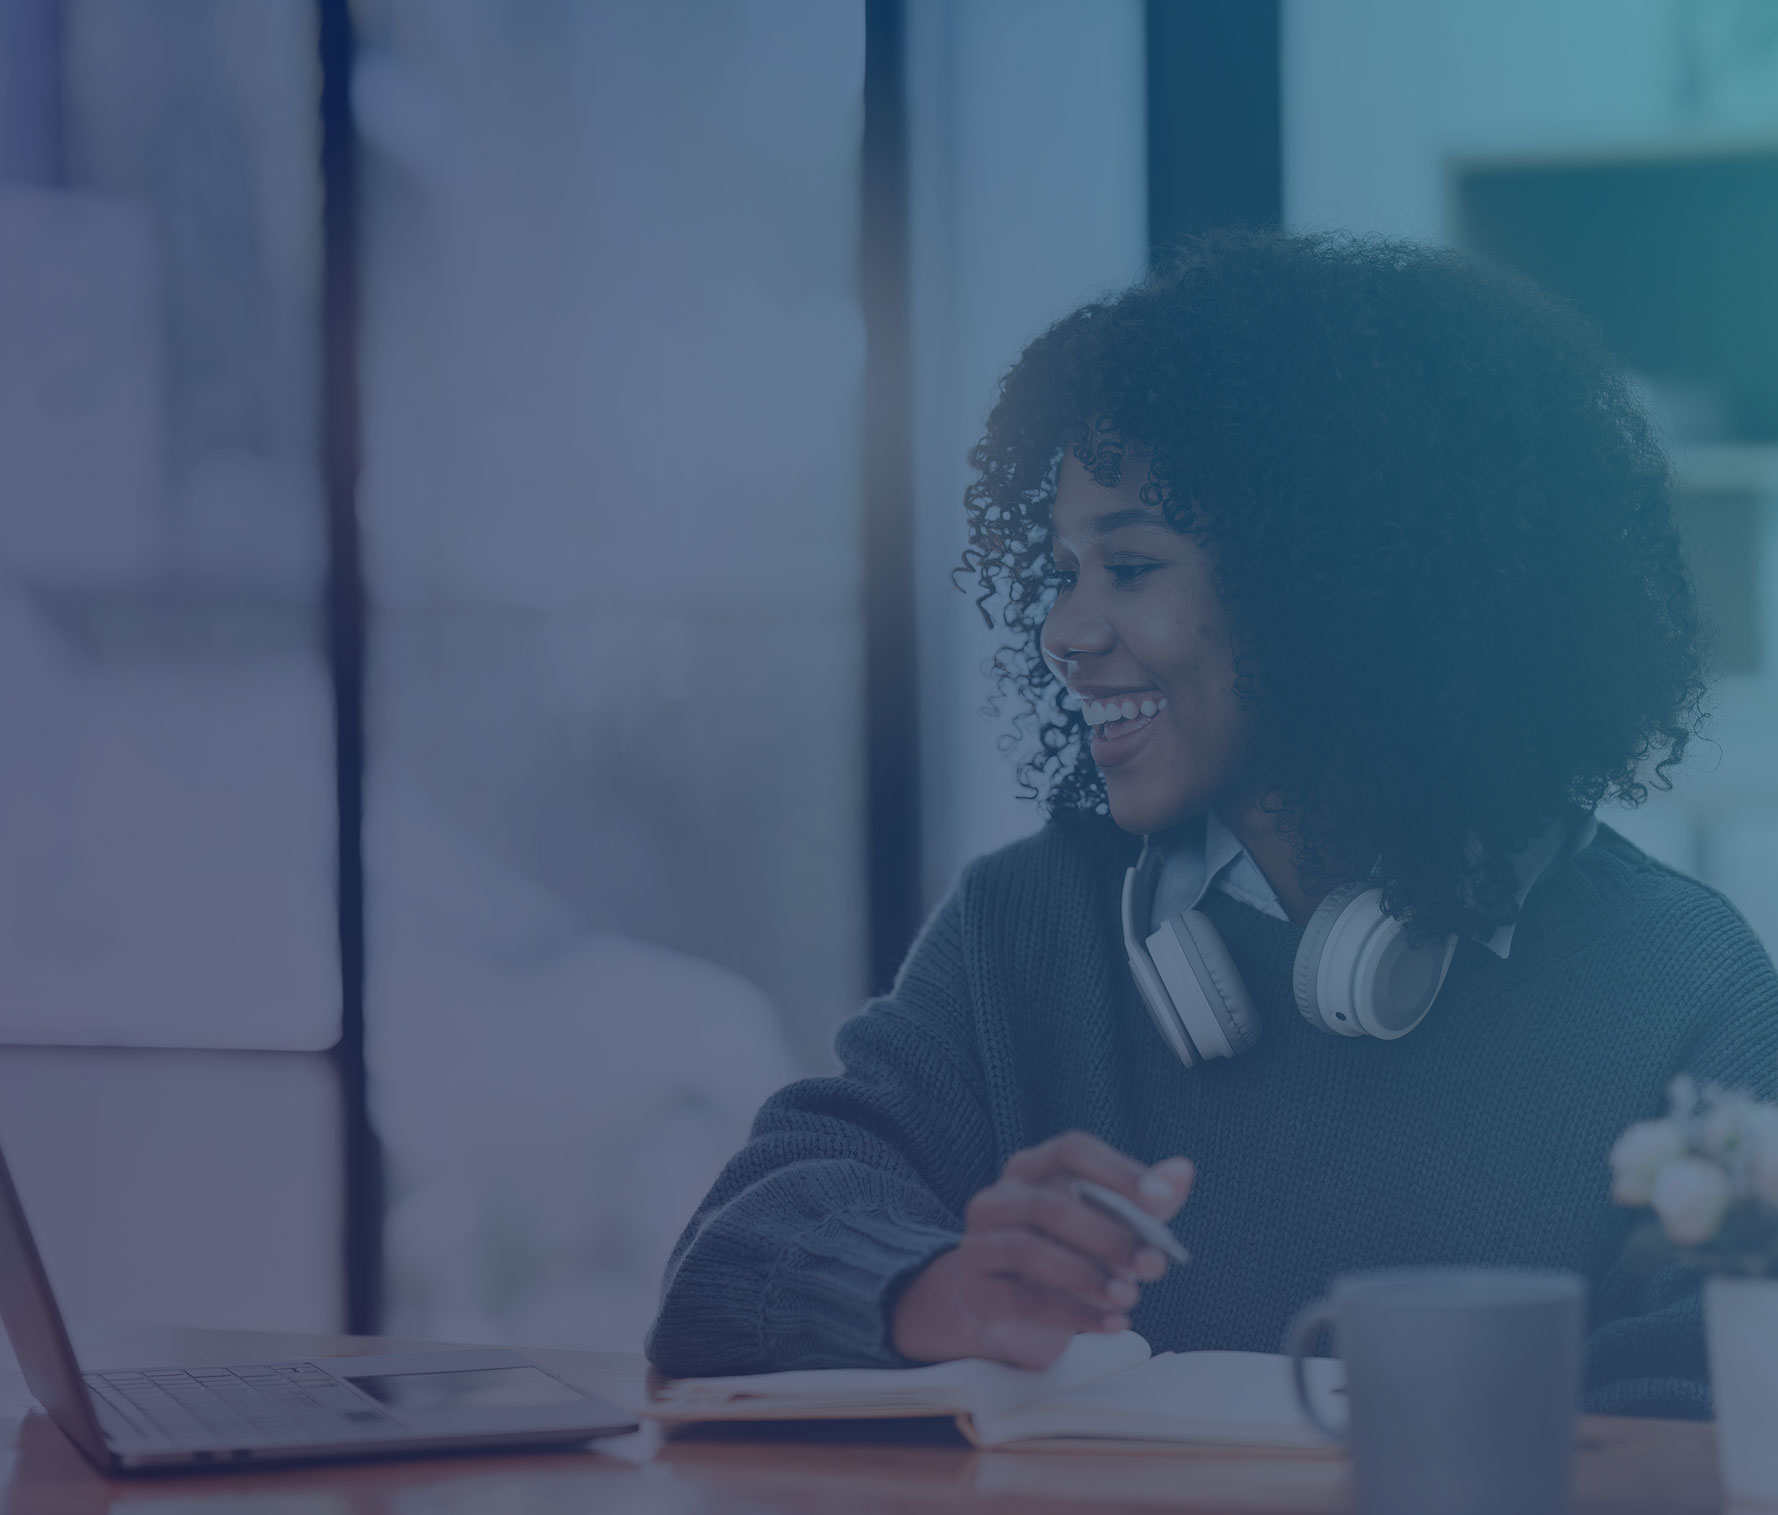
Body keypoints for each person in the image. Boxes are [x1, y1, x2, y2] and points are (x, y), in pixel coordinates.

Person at [646, 230, 1778, 1418]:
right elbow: (727, 1268)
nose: (1065, 634)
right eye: (1061, 571)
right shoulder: (1027, 928)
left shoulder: (1680, 988)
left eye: (1129, 567)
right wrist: (933, 1288)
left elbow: (1714, 1415)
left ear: (1337, 584)